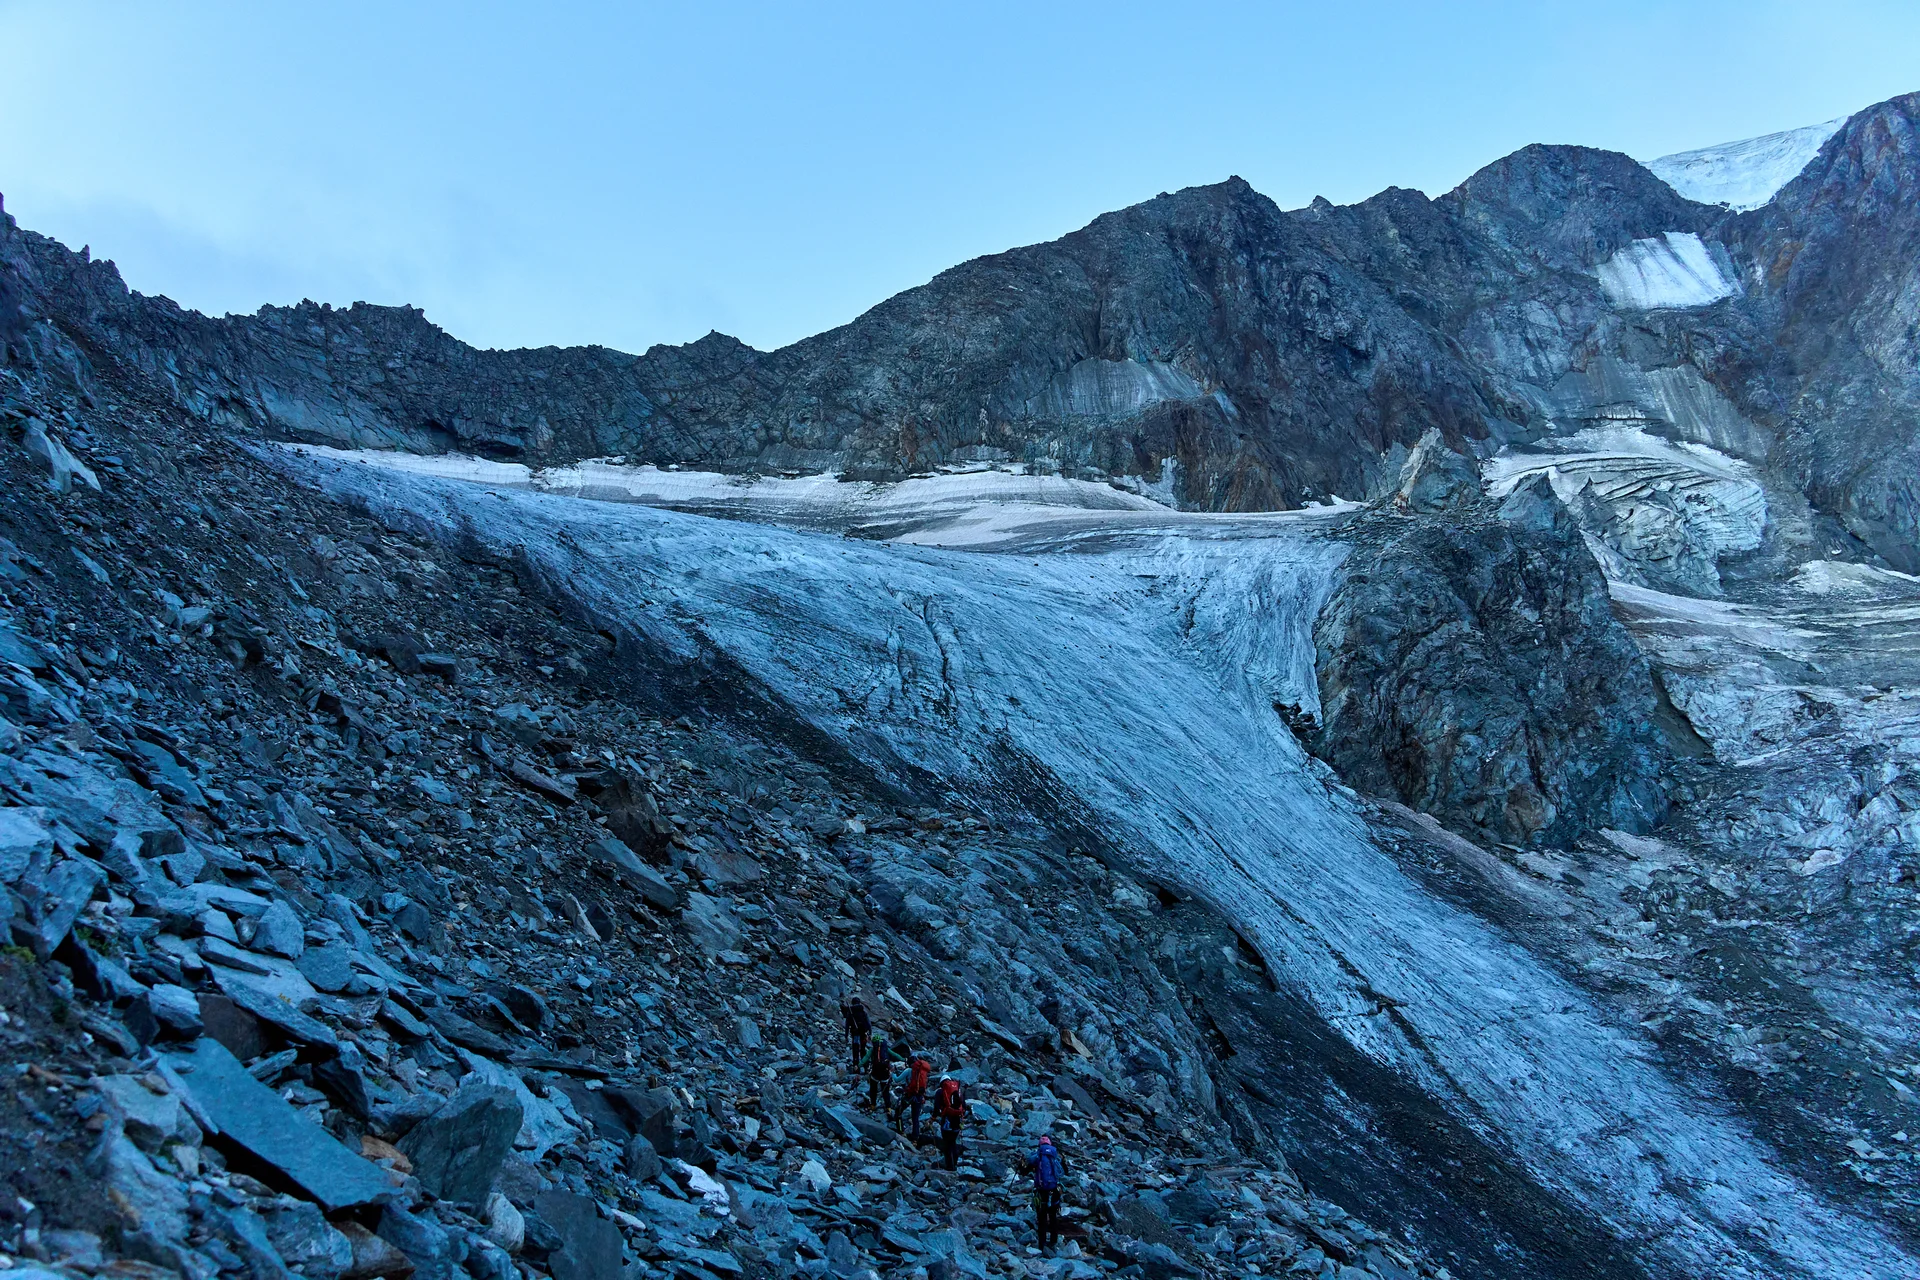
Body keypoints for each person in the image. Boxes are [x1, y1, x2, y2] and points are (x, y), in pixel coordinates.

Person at [1031, 1134, 1066, 1247]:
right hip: (1054, 1190)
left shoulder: (1037, 1155)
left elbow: (1024, 1169)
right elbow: (1065, 1171)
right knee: (1053, 1216)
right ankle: (1053, 1242)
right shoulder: (1055, 1155)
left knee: (1042, 1218)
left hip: (1041, 1191)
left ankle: (1042, 1244)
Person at [893, 1050, 933, 1137]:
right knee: (915, 1118)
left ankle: (901, 1132)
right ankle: (915, 1138)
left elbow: (897, 1079)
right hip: (919, 1097)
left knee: (898, 1112)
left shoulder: (908, 1071)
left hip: (909, 1095)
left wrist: (892, 1073)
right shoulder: (922, 1072)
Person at [934, 1076, 965, 1171]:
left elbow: (936, 1108)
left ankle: (949, 1167)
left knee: (947, 1144)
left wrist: (933, 1118)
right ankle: (955, 1164)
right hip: (957, 1121)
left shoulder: (940, 1091)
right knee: (953, 1142)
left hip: (946, 1121)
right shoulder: (958, 1090)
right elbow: (964, 1106)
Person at [864, 1029, 892, 1108]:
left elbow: (866, 1058)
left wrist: (858, 1065)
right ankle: (888, 1107)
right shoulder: (886, 1049)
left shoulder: (873, 1050)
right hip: (885, 1072)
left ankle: (873, 1105)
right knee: (885, 1091)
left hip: (875, 1072)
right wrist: (904, 1059)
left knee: (873, 1089)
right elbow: (895, 1055)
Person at [841, 996, 870, 1070]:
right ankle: (866, 1067)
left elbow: (847, 1025)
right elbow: (868, 1023)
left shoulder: (850, 1012)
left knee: (855, 1050)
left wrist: (846, 1035)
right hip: (863, 1033)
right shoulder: (863, 1011)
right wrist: (870, 1032)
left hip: (855, 1033)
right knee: (863, 1050)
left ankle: (856, 1067)